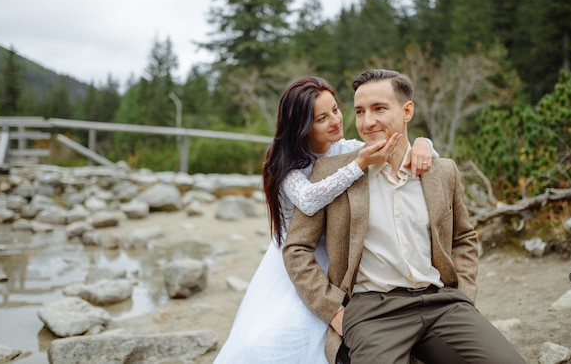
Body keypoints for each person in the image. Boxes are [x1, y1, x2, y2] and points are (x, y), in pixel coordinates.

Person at [283, 69, 526, 364]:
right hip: (373, 312)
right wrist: (332, 310)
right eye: (360, 111)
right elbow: (296, 248)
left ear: (407, 110)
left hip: (443, 303)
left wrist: (464, 293)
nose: (367, 121)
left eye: (379, 109)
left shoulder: (442, 171)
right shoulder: (333, 172)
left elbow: (464, 238)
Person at [214, 76, 438, 363]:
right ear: (302, 128)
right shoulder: (285, 162)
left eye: (335, 109)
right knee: (276, 335)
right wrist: (359, 165)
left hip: (337, 249)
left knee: (337, 333)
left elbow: (397, 146)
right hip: (298, 255)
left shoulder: (346, 147)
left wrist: (423, 143)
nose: (335, 120)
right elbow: (308, 200)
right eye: (322, 118)